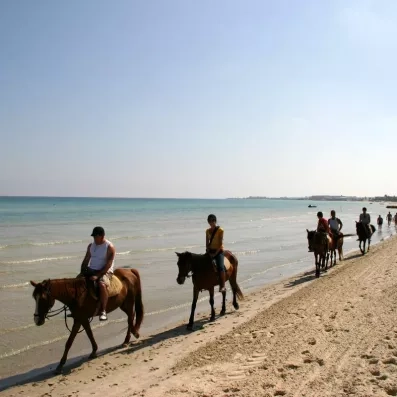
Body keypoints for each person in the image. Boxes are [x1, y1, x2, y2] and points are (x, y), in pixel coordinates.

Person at [80, 226, 116, 321]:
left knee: (101, 284)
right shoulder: (91, 246)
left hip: (105, 270)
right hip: (92, 269)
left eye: (96, 237)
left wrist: (98, 275)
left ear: (102, 236)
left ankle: (103, 311)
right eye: (94, 237)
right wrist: (82, 271)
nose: (94, 239)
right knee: (77, 282)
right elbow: (86, 259)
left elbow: (108, 264)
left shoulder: (109, 247)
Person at [206, 214, 226, 292]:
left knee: (220, 267)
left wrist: (215, 254)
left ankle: (223, 286)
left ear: (215, 221)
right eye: (209, 221)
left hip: (219, 251)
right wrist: (208, 251)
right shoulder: (207, 231)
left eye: (212, 221)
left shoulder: (220, 230)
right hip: (210, 251)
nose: (211, 223)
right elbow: (207, 243)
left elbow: (220, 244)